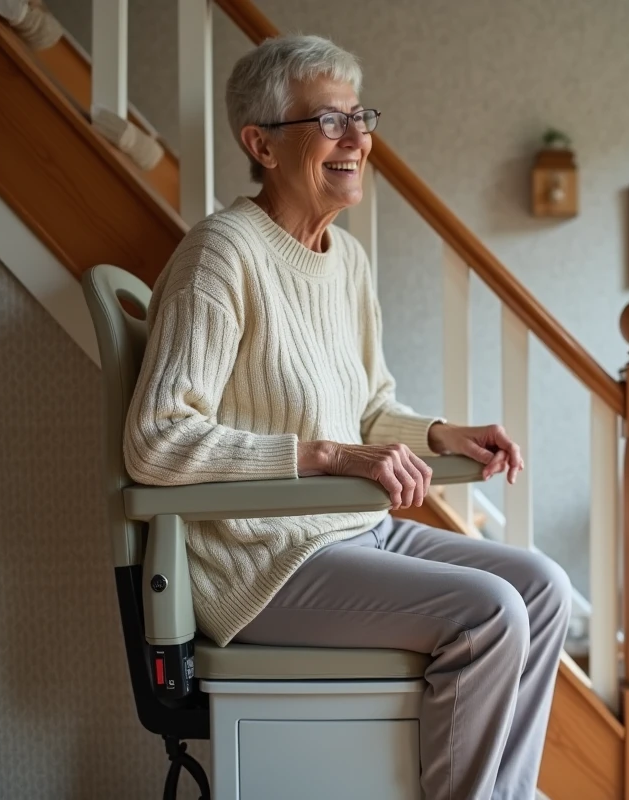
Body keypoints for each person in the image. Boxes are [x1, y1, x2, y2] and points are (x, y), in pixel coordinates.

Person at [124, 34, 573, 800]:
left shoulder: (347, 261)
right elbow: (156, 439)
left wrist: (436, 435)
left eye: (360, 118)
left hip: (351, 530)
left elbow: (367, 408)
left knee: (544, 587)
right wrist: (328, 458)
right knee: (492, 613)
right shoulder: (220, 255)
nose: (359, 139)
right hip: (264, 559)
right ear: (260, 144)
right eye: (330, 121)